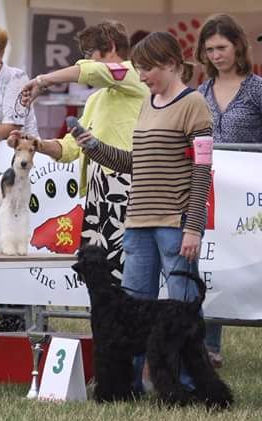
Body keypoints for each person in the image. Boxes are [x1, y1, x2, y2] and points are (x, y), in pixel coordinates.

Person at [75, 32, 213, 393]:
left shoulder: (194, 104)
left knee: (183, 309)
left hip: (174, 223)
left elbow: (202, 172)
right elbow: (136, 163)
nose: (142, 76)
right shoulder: (147, 103)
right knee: (131, 316)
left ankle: (187, 386)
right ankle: (127, 385)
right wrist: (95, 148)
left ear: (170, 63)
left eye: (147, 68)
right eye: (139, 69)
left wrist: (194, 227)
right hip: (136, 223)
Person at [12, 20, 147, 283]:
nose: (83, 63)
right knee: (99, 274)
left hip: (127, 186)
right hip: (98, 190)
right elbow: (71, 148)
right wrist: (38, 144)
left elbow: (94, 71)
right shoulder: (96, 98)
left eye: (88, 54)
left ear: (109, 46)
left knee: (125, 272)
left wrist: (43, 80)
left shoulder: (134, 75)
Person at [195, 14, 262, 369]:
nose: (216, 55)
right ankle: (208, 345)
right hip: (208, 192)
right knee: (212, 263)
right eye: (209, 50)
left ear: (238, 46)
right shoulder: (200, 92)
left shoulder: (257, 89)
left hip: (248, 195)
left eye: (221, 47)